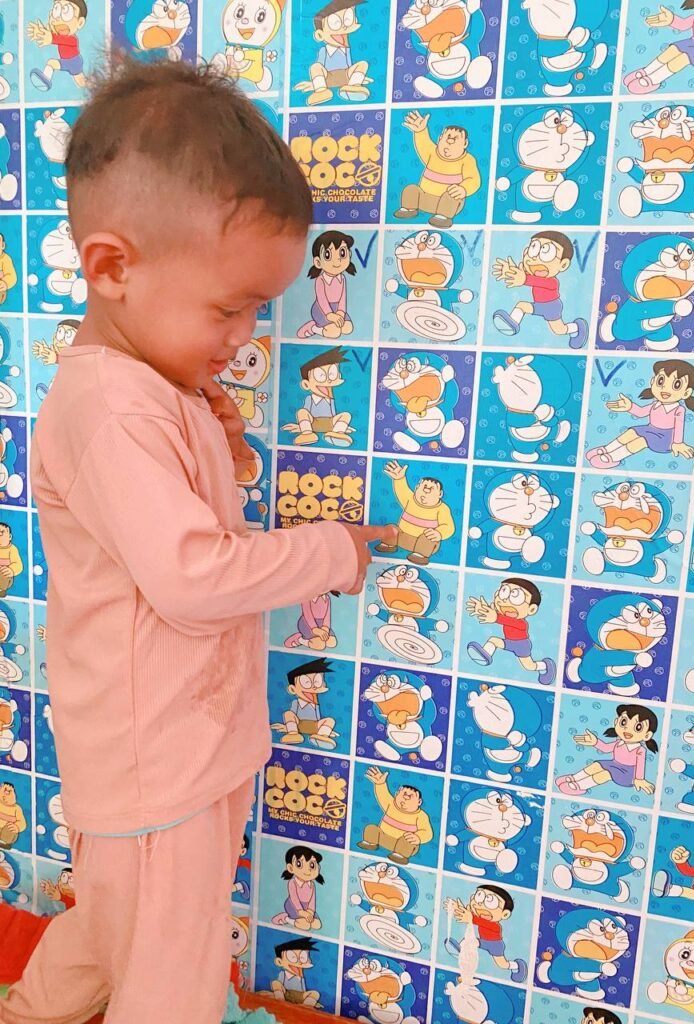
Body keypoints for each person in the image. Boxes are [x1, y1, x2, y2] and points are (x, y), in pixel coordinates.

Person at [0, 56, 395, 1024]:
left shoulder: (151, 391)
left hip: (176, 747)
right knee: (171, 966)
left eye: (258, 307)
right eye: (229, 307)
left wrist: (228, 450)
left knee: (119, 924)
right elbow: (190, 575)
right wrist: (333, 551)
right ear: (112, 268)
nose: (246, 333)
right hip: (155, 763)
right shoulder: (113, 409)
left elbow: (179, 522)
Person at [587, 359, 694, 469]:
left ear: (686, 392)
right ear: (652, 382)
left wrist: (677, 443)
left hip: (665, 439)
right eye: (661, 381)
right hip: (649, 429)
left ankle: (613, 457)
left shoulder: (679, 410)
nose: (665, 388)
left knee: (641, 441)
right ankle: (606, 449)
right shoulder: (655, 404)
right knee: (631, 432)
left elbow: (679, 427)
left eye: (676, 385)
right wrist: (629, 407)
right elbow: (641, 412)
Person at [394, 111, 481, 229]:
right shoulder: (432, 153)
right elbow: (423, 144)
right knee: (411, 189)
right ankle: (409, 209)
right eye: (447, 137)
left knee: (451, 197)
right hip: (424, 199)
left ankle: (442, 217)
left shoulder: (468, 160)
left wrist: (463, 189)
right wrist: (420, 131)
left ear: (465, 143)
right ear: (440, 138)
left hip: (447, 203)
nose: (450, 142)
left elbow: (473, 179)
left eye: (455, 139)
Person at [556, 704, 659, 797]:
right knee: (596, 765)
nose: (627, 729)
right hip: (613, 764)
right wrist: (595, 742)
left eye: (638, 727)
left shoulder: (640, 750)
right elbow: (605, 748)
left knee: (606, 774)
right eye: (623, 722)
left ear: (647, 735)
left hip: (628, 775)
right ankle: (574, 778)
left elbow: (640, 765)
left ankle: (579, 785)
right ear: (616, 722)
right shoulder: (618, 742)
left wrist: (639, 779)